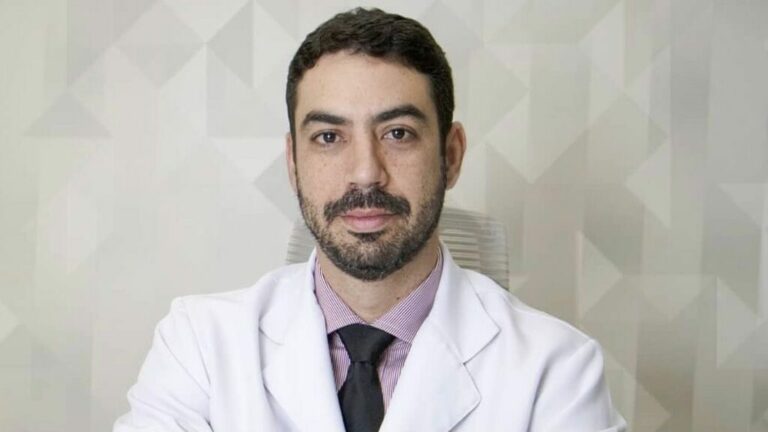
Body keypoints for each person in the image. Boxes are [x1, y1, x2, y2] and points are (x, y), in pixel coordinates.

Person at [114, 7, 626, 432]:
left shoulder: (557, 371)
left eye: (398, 133)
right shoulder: (199, 347)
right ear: (293, 163)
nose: (365, 173)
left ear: (451, 155)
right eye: (329, 137)